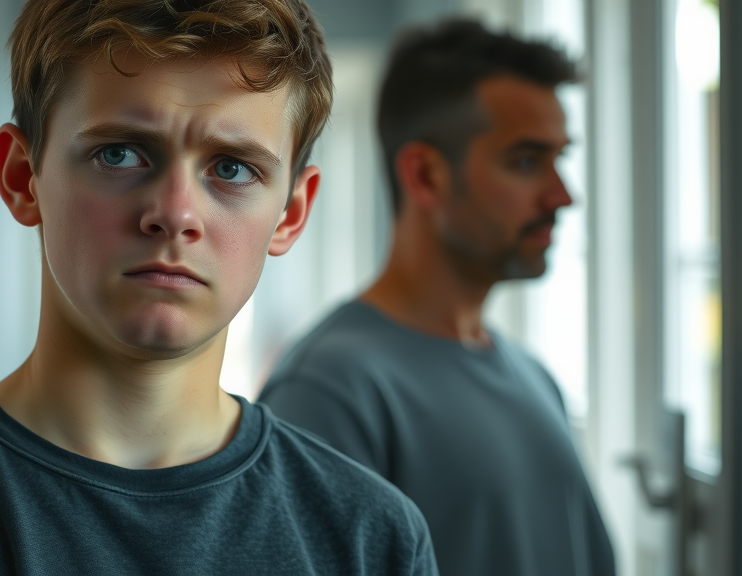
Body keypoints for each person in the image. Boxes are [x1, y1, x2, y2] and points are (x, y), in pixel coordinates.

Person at [0, 1, 438, 574]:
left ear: (291, 213)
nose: (175, 213)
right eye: (120, 153)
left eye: (231, 167)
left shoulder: (369, 538)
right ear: (21, 176)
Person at [259, 19, 615, 576]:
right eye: (526, 161)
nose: (562, 194)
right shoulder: (331, 390)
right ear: (424, 175)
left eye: (559, 158)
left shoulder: (533, 377)